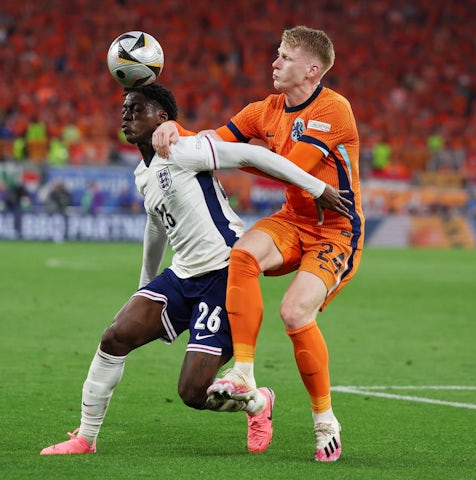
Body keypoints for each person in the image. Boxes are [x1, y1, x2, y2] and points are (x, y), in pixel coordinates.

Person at [40, 83, 352, 455]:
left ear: (162, 119)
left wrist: (315, 186)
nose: (126, 115)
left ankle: (258, 403)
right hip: (183, 274)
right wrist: (145, 285)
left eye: (137, 108)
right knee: (114, 337)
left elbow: (252, 157)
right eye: (124, 108)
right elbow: (156, 225)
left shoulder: (184, 150)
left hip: (224, 275)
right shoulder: (143, 173)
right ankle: (85, 439)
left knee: (192, 392)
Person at [152, 26, 364, 462]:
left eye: (285, 57)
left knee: (294, 312)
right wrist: (175, 128)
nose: (274, 62)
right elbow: (211, 141)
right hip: (294, 219)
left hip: (336, 229)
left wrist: (227, 155)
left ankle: (324, 418)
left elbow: (287, 168)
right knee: (242, 254)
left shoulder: (333, 109)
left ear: (312, 69)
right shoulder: (263, 111)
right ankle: (244, 373)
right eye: (277, 54)